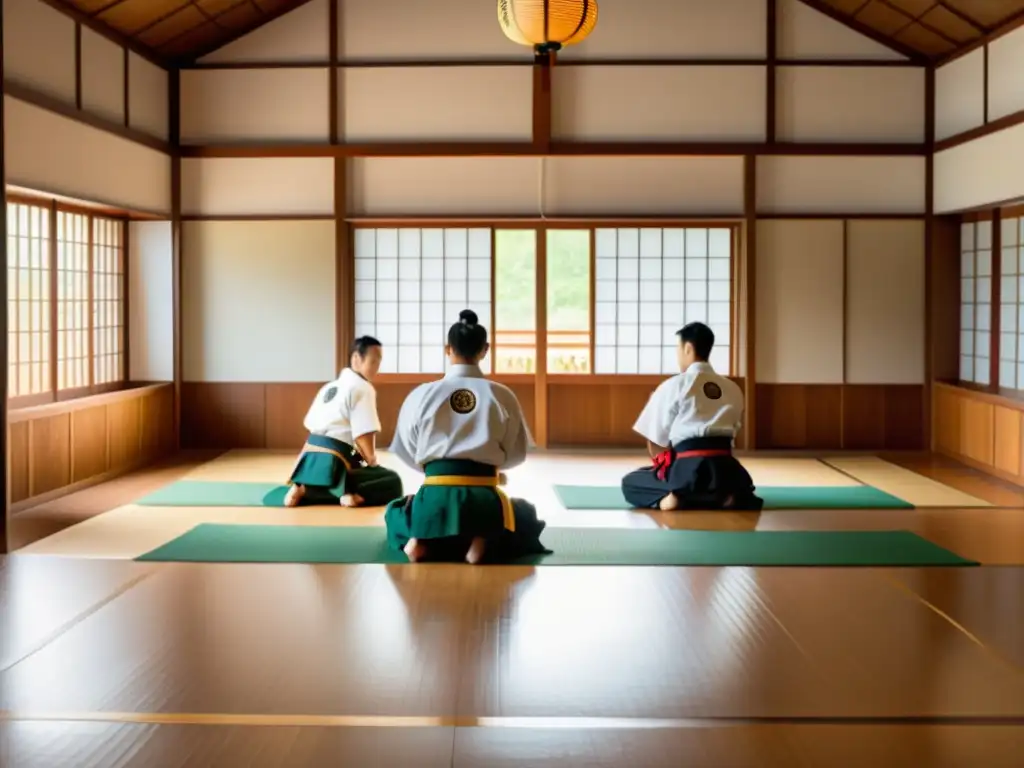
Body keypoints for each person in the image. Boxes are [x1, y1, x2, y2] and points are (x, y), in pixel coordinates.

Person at [384, 309, 550, 564]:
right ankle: (482, 541)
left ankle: (420, 538)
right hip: (484, 498)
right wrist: (489, 467)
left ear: (447, 349)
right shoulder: (502, 395)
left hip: (434, 497)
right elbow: (516, 455)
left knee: (396, 510)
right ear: (485, 350)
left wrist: (436, 472)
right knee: (525, 514)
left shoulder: (422, 394)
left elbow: (406, 450)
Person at [621, 322, 763, 512]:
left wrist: (664, 470)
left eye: (678, 349)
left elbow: (655, 441)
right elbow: (734, 429)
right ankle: (724, 497)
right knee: (725, 485)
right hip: (727, 471)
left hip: (687, 467)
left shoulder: (674, 385)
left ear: (688, 348)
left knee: (631, 482)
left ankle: (672, 497)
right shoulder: (733, 388)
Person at [284, 336, 403, 508]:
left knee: (353, 463)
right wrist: (372, 463)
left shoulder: (329, 387)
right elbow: (363, 433)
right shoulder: (362, 387)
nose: (377, 367)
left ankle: (306, 488)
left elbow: (311, 425)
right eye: (373, 361)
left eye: (379, 361)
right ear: (356, 358)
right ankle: (352, 493)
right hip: (338, 457)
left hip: (308, 456)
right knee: (393, 480)